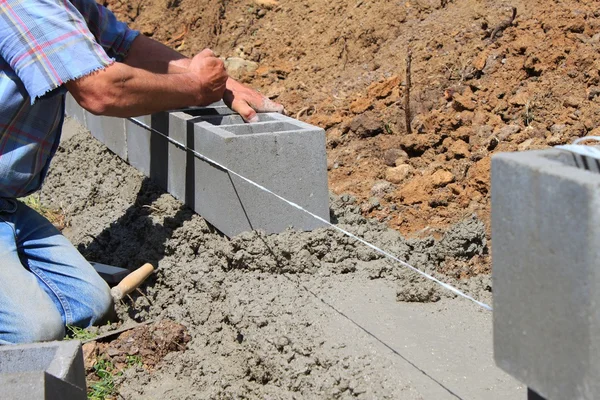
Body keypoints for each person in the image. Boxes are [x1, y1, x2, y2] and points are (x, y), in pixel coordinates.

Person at [0, 0, 284, 344]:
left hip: (6, 206)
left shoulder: (66, 5)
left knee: (88, 305)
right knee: (34, 332)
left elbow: (124, 45)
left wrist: (223, 85)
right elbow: (101, 90)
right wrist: (195, 87)